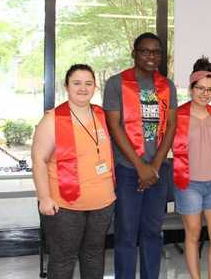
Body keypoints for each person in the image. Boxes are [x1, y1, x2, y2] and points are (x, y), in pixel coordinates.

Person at [103, 32, 177, 279]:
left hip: (158, 170)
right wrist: (140, 166)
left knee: (152, 232)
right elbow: (114, 127)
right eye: (145, 51)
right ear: (134, 53)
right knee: (126, 233)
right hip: (127, 170)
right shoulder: (116, 84)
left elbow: (171, 126)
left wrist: (154, 165)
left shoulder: (167, 86)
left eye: (156, 52)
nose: (151, 56)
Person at [32, 64, 115, 279]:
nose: (83, 88)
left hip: (102, 203)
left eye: (88, 83)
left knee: (94, 255)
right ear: (66, 86)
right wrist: (44, 197)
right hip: (65, 205)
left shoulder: (101, 115)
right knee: (63, 259)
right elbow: (39, 160)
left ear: (95, 87)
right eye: (76, 83)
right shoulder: (52, 119)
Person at [173, 57, 211, 279]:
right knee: (193, 235)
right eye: (200, 88)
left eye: (210, 90)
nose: (205, 94)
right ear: (191, 88)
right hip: (189, 184)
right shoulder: (178, 115)